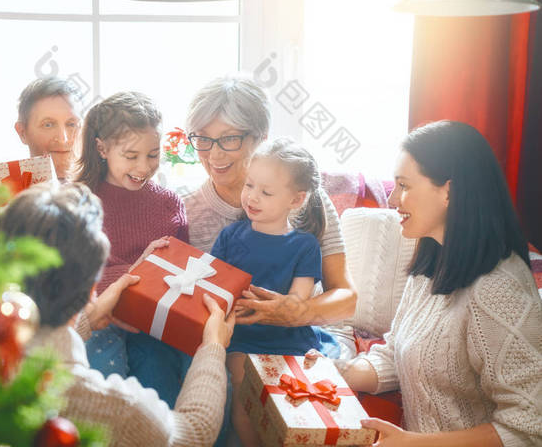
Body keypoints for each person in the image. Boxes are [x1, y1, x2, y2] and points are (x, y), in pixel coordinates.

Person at [307, 120, 542, 446]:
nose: (392, 199)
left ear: (449, 191)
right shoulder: (431, 263)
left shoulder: (499, 289)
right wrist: (336, 372)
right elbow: (394, 356)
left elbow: (530, 428)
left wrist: (413, 443)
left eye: (403, 186)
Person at [0, 182, 235, 446]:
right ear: (90, 291)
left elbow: (32, 350)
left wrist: (86, 319)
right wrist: (212, 347)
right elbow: (193, 433)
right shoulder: (116, 410)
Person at [182, 74, 356, 327]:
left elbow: (347, 298)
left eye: (229, 138)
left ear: (261, 138)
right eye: (202, 138)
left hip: (307, 340)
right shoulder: (184, 210)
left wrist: (294, 313)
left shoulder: (304, 199)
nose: (214, 154)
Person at [211, 138, 339, 447]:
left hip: (288, 338)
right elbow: (214, 287)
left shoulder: (304, 245)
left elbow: (297, 303)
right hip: (241, 337)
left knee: (287, 394)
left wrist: (273, 307)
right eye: (250, 185)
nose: (252, 197)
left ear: (296, 200)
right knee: (242, 383)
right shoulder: (230, 236)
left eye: (266, 192)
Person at [73, 92, 191, 396]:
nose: (143, 167)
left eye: (153, 155)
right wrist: (137, 270)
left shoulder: (169, 204)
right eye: (131, 156)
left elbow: (184, 270)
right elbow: (70, 275)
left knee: (163, 382)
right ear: (102, 148)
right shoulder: (79, 200)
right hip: (98, 314)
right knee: (105, 375)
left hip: (152, 321)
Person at [14, 77, 83, 180]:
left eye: (71, 124)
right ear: (22, 133)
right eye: (48, 125)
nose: (63, 139)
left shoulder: (106, 188)